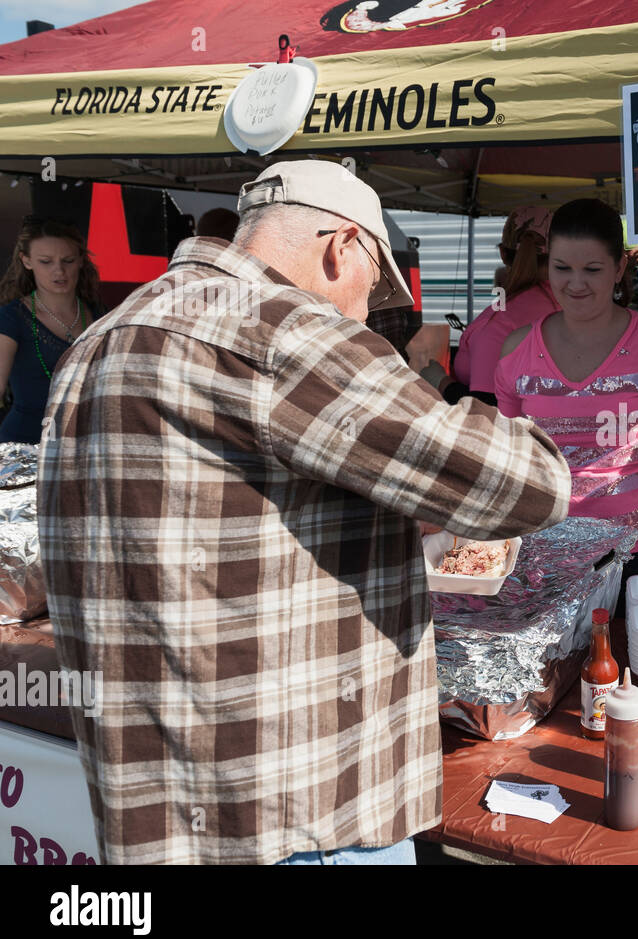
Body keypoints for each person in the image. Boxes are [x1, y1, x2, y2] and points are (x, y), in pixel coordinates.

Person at [37, 160, 572, 865]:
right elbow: (531, 484)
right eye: (374, 283)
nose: (364, 308)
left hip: (154, 816)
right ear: (339, 247)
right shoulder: (285, 330)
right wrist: (433, 381)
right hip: (301, 814)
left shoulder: (95, 342)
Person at [495, 197, 638, 614]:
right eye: (562, 268)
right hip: (544, 550)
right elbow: (511, 459)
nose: (576, 284)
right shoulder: (515, 350)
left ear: (619, 269)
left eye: (592, 270)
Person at [0, 218, 103, 445]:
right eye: (45, 261)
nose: (59, 270)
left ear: (80, 261)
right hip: (25, 446)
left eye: (68, 260)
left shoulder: (99, 315)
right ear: (26, 261)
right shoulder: (12, 317)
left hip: (86, 445)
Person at [442, 205, 557, 404]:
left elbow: (485, 410)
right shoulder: (581, 306)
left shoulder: (499, 321)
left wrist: (440, 382)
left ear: (503, 254)